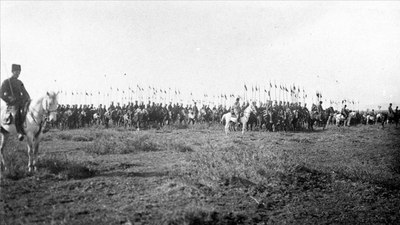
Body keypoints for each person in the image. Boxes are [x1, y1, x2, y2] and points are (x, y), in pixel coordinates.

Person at [0, 64, 31, 141]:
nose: (18, 74)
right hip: (11, 104)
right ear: (12, 72)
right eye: (16, 72)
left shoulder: (19, 82)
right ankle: (19, 132)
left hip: (21, 102)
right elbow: (1, 94)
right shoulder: (6, 82)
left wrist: (28, 99)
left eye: (19, 72)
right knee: (17, 113)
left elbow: (25, 93)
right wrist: (9, 99)